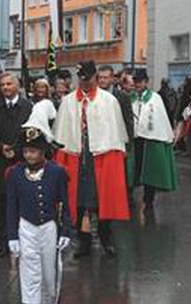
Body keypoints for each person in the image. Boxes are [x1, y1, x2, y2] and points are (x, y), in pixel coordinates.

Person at [54, 61, 129, 258]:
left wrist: (118, 151)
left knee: (102, 198)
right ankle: (83, 241)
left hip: (102, 153)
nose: (85, 83)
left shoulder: (108, 101)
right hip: (76, 154)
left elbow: (115, 129)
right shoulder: (68, 101)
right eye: (82, 79)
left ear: (95, 77)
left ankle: (105, 237)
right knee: (78, 199)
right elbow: (62, 132)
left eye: (89, 78)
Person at [6, 104, 72, 304]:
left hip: (49, 227)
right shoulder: (15, 174)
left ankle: (50, 300)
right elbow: (11, 207)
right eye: (26, 151)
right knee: (30, 272)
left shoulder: (57, 172)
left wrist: (66, 230)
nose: (29, 155)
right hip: (26, 227)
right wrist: (12, 236)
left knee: (50, 275)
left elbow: (64, 203)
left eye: (33, 151)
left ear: (43, 151)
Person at [0, 72, 32, 259]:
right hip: (0, 162)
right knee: (1, 203)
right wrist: (1, 147)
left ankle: (22, 239)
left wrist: (17, 148)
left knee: (22, 202)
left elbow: (31, 131)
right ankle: (3, 242)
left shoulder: (28, 107)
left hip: (22, 160)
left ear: (17, 86)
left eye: (9, 84)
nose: (5, 87)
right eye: (2, 85)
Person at [131, 69, 178, 211]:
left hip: (150, 139)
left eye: (140, 81)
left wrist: (164, 135)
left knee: (149, 171)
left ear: (146, 82)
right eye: (135, 81)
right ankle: (130, 195)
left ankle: (148, 199)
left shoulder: (154, 98)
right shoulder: (131, 97)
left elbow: (160, 117)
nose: (137, 84)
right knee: (133, 168)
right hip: (135, 138)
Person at [98, 66, 135, 191]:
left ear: (112, 79)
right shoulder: (94, 95)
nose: (102, 80)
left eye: (105, 77)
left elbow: (128, 121)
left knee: (118, 175)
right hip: (99, 142)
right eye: (100, 78)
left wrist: (128, 145)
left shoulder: (122, 96)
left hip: (117, 141)